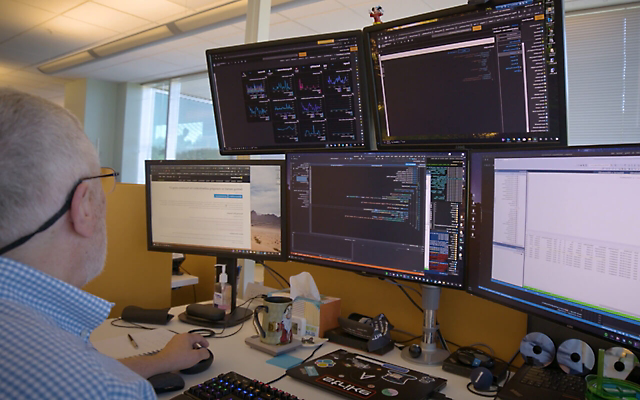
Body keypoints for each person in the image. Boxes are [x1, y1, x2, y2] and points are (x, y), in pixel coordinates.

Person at [0, 88, 210, 398]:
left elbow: (88, 372)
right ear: (83, 206)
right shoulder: (103, 392)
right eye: (101, 182)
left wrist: (163, 360)